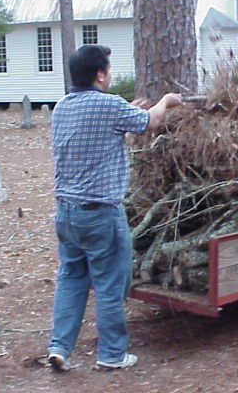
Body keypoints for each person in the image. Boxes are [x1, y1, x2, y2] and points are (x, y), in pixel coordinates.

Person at [47, 45, 182, 371]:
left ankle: (59, 348)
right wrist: (166, 101)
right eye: (108, 69)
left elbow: (103, 123)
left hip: (66, 213)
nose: (110, 75)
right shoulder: (108, 105)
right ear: (99, 74)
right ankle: (111, 354)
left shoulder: (62, 106)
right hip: (100, 214)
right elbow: (151, 121)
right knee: (110, 283)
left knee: (71, 279)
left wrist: (127, 111)